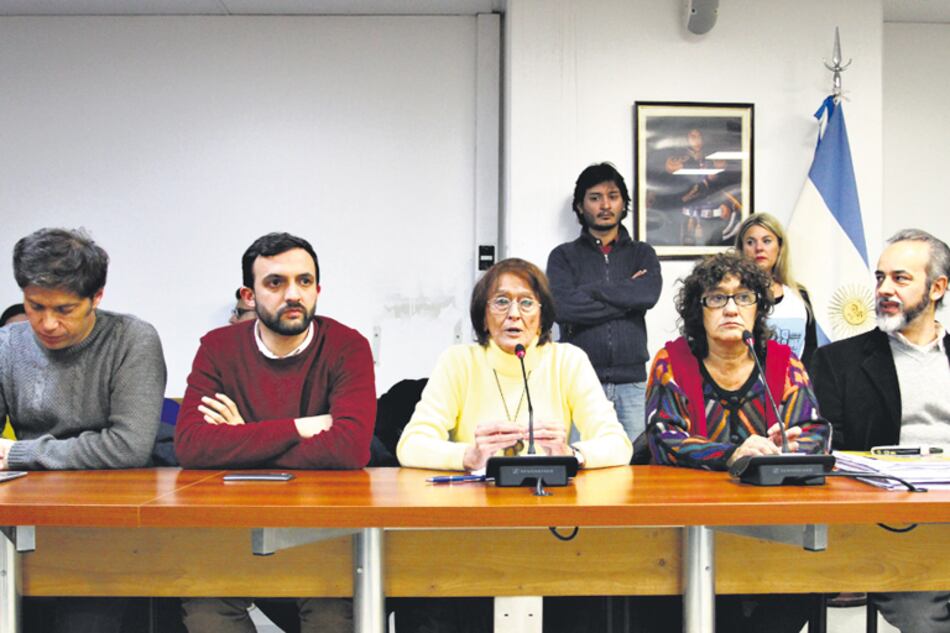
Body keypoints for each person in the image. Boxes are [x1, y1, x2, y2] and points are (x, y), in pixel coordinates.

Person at [396, 257, 631, 633]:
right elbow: (410, 445)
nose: (514, 315)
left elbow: (618, 444)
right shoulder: (459, 362)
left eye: (526, 303)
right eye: (501, 301)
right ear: (483, 314)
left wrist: (573, 456)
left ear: (542, 314)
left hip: (552, 534)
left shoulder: (567, 360)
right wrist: (468, 456)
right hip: (471, 535)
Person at [174, 232, 376, 633]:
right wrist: (300, 427)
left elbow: (350, 449)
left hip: (323, 531)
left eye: (304, 281)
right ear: (248, 295)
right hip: (234, 528)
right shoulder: (217, 347)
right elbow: (191, 446)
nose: (293, 294)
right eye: (275, 283)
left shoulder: (348, 347)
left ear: (318, 288)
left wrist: (242, 438)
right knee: (204, 608)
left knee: (333, 616)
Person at [642, 251, 829, 633]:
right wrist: (736, 456)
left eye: (743, 297)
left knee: (799, 591)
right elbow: (663, 438)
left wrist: (782, 451)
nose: (731, 308)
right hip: (690, 530)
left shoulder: (782, 363)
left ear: (758, 308)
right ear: (700, 309)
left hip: (772, 528)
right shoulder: (673, 361)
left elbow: (815, 432)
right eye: (717, 297)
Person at [0, 228, 167, 633]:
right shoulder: (7, 343)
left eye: (65, 309)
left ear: (97, 297)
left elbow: (127, 446)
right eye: (35, 306)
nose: (47, 323)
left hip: (108, 523)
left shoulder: (132, 340)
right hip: (26, 517)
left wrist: (19, 453)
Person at [811, 228, 950, 633]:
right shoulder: (838, 363)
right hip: (895, 529)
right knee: (926, 620)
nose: (885, 289)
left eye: (900, 278)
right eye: (880, 278)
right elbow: (827, 454)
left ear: (938, 287)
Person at [546, 162, 662, 442]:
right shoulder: (563, 256)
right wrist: (626, 294)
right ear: (579, 206)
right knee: (580, 468)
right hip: (580, 382)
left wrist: (588, 291)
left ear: (624, 203)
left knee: (633, 468)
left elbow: (647, 295)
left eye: (613, 196)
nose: (605, 205)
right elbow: (561, 307)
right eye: (595, 197)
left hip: (632, 383)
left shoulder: (642, 254)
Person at [735, 213, 818, 367]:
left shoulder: (799, 295)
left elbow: (811, 351)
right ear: (741, 249)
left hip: (794, 387)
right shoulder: (733, 298)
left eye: (766, 241)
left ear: (780, 247)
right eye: (750, 242)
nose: (759, 248)